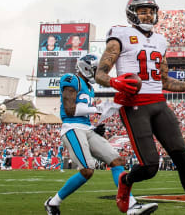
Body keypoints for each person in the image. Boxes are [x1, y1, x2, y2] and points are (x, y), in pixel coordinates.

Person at [95, 0, 185, 215]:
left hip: (158, 103)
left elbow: (164, 80)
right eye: (142, 10)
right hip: (134, 104)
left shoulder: (160, 40)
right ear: (132, 13)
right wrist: (114, 81)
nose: (148, 14)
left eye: (151, 11)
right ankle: (126, 180)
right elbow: (100, 73)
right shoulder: (119, 35)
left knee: (183, 159)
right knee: (149, 167)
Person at [44, 54, 157, 215]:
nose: (99, 73)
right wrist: (97, 108)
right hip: (71, 128)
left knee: (117, 161)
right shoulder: (71, 79)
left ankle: (131, 205)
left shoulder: (90, 88)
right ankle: (53, 202)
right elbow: (70, 110)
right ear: (86, 68)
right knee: (87, 170)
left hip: (86, 128)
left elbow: (86, 114)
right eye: (97, 70)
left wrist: (96, 123)